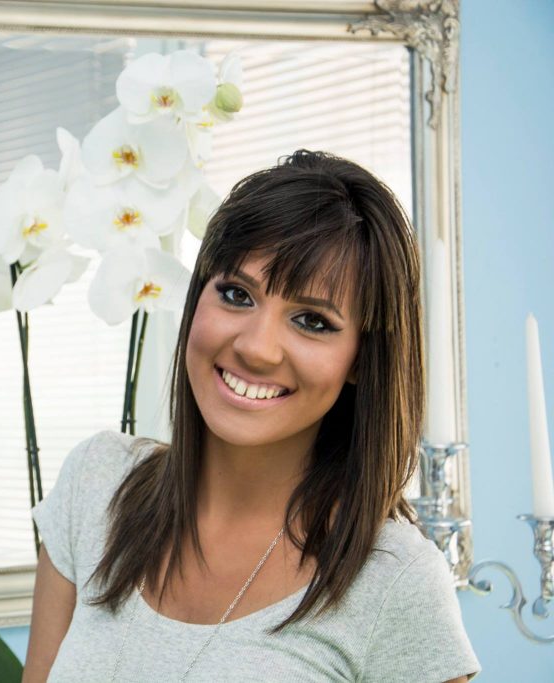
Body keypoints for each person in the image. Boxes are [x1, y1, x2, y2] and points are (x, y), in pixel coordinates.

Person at [25, 150, 480, 681]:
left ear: (362, 359)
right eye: (236, 294)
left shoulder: (395, 580)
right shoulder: (97, 484)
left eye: (312, 321)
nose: (257, 348)